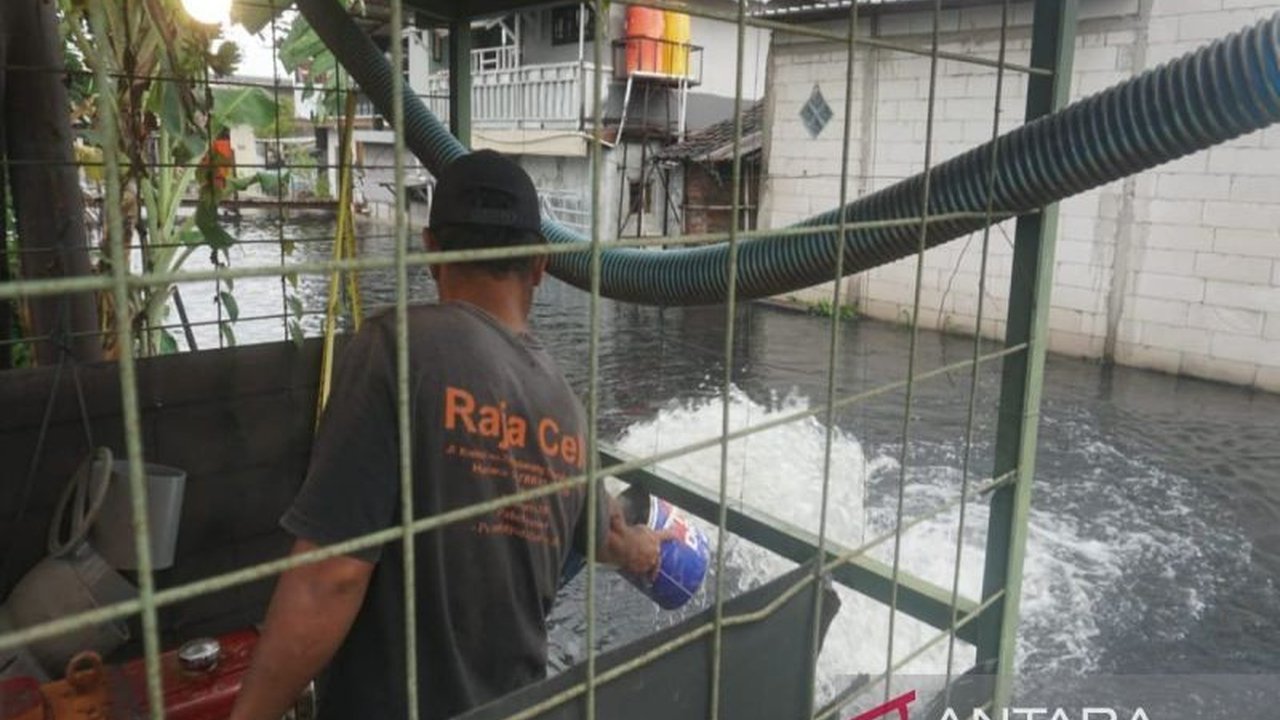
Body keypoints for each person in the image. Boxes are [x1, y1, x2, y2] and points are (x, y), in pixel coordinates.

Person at [230, 151, 666, 720]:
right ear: (539, 264)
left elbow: (331, 576)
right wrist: (640, 548)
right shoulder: (565, 406)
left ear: (432, 250)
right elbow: (602, 536)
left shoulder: (395, 350)